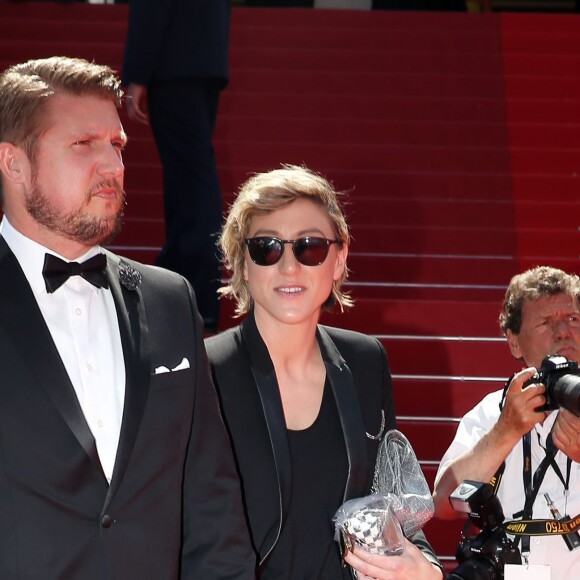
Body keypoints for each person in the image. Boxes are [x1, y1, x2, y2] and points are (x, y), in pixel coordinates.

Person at [0, 55, 255, 579]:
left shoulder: (169, 300)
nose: (113, 166)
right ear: (13, 163)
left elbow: (212, 503)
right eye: (83, 144)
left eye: (116, 145)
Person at [205, 165, 443, 579]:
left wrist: (426, 570)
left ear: (338, 259)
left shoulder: (366, 361)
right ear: (242, 263)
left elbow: (389, 500)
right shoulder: (204, 372)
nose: (290, 266)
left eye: (310, 247)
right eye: (267, 248)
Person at [433, 266, 580, 578]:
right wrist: (506, 430)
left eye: (573, 318)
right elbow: (444, 502)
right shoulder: (494, 412)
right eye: (545, 322)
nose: (563, 330)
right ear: (514, 342)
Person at [122, 0, 229, 329]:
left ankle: (195, 286)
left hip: (175, 59)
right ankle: (184, 275)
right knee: (188, 175)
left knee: (191, 177)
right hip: (200, 56)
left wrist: (138, 72)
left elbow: (152, 7)